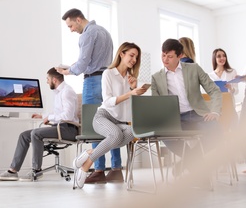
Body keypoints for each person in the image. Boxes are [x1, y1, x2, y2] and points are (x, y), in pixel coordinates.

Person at [56, 8, 122, 184]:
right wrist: (74, 66)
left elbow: (84, 64)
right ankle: (116, 169)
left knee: (95, 125)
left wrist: (68, 71)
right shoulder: (105, 32)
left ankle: (99, 170)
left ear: (78, 19)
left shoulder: (86, 35)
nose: (71, 29)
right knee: (113, 123)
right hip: (108, 80)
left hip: (93, 82)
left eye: (70, 25)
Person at [73, 42, 148, 188]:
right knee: (115, 136)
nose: (134, 60)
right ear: (121, 54)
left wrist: (134, 90)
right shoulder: (108, 73)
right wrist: (130, 93)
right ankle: (86, 165)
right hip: (103, 117)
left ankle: (89, 153)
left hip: (120, 121)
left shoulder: (131, 78)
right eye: (131, 55)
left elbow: (132, 106)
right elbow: (107, 101)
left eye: (136, 57)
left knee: (132, 132)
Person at [151, 38, 222, 175]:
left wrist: (215, 111)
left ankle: (187, 161)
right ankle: (194, 165)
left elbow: (214, 90)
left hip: (198, 114)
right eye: (163, 55)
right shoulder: (156, 78)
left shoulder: (193, 68)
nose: (165, 59)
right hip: (177, 119)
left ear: (180, 56)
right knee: (164, 134)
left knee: (217, 132)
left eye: (170, 56)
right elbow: (156, 104)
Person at [0, 67, 79, 181]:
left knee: (36, 133)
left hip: (68, 129)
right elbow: (58, 113)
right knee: (24, 135)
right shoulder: (58, 92)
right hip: (59, 127)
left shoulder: (67, 91)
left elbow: (67, 116)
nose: (46, 81)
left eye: (47, 79)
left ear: (54, 79)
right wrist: (44, 116)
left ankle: (37, 170)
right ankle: (13, 170)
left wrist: (49, 117)